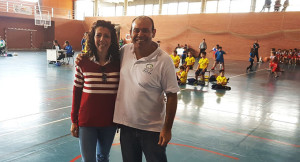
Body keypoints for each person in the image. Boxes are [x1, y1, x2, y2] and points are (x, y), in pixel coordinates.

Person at [113, 16, 179, 162]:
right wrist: (85, 57)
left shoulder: (164, 60)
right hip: (127, 127)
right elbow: (103, 58)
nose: (140, 34)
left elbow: (172, 95)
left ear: (153, 32)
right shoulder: (124, 51)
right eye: (136, 30)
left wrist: (167, 129)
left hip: (152, 130)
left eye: (145, 31)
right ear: (130, 32)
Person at [70, 20, 120, 162]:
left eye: (106, 36)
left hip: (109, 122)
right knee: (88, 159)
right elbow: (76, 92)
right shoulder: (83, 62)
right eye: (98, 35)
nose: (102, 39)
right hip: (87, 122)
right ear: (93, 38)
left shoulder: (119, 63)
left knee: (103, 157)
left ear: (112, 39)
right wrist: (74, 120)